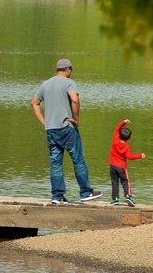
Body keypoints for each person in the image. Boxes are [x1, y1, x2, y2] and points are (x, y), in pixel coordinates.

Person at [30, 58, 102, 204]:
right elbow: (74, 99)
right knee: (78, 159)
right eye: (71, 70)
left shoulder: (46, 84)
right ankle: (86, 192)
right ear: (68, 69)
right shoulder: (69, 83)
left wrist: (45, 122)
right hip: (67, 127)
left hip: (51, 129)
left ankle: (57, 196)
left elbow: (34, 102)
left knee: (56, 163)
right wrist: (76, 119)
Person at [109, 118, 146, 206]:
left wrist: (123, 122)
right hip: (122, 167)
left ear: (119, 135)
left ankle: (115, 199)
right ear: (129, 138)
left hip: (112, 166)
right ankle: (128, 196)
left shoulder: (115, 140)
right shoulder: (126, 146)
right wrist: (140, 155)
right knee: (125, 182)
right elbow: (129, 157)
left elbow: (116, 129)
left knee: (115, 182)